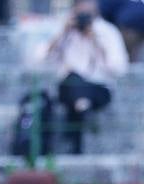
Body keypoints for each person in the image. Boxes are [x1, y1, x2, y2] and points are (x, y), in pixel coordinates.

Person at [42, 0, 128, 154]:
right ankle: (82, 106)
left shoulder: (107, 31)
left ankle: (80, 109)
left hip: (98, 88)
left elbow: (118, 68)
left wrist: (95, 41)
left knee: (80, 87)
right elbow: (38, 60)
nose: (84, 8)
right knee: (74, 80)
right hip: (68, 87)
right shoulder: (63, 31)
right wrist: (62, 33)